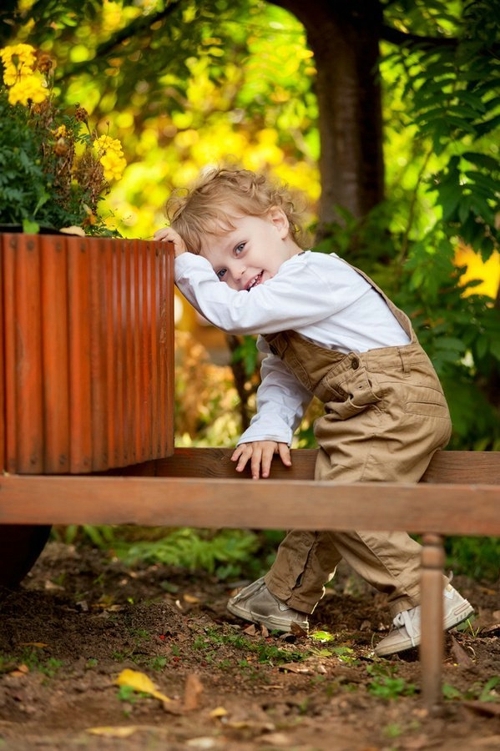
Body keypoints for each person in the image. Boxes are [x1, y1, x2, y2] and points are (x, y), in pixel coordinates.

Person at [154, 167, 474, 656]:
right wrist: (268, 429)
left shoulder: (314, 275)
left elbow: (231, 315)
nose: (235, 274)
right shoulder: (280, 309)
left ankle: (423, 598)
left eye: (239, 249)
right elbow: (284, 379)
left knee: (347, 499)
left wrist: (185, 266)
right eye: (219, 271)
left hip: (394, 404)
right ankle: (283, 597)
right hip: (371, 410)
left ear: (278, 222)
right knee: (328, 489)